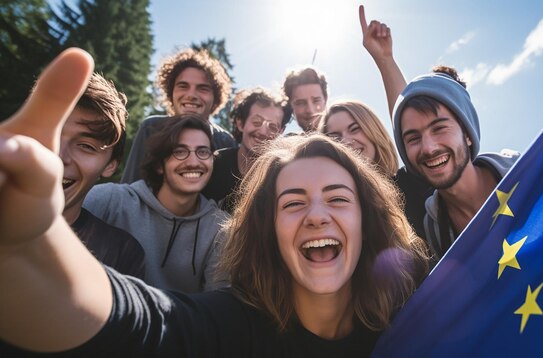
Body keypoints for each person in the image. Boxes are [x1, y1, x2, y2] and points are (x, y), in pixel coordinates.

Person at [0, 48, 429, 356]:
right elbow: (132, 319)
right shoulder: (230, 328)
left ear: (367, 220)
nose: (317, 215)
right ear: (266, 230)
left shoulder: (413, 324)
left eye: (337, 198)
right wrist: (26, 256)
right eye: (293, 203)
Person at [360, 5, 520, 263]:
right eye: (413, 139)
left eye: (440, 128)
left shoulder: (525, 172)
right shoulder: (434, 234)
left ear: (467, 133)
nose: (429, 147)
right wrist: (384, 60)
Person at [83, 114, 229, 293]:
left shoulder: (221, 228)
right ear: (160, 165)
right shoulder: (111, 201)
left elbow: (216, 305)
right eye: (180, 151)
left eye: (203, 152)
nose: (193, 162)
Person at [61, 72, 145, 278]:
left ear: (110, 166)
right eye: (49, 133)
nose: (58, 156)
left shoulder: (122, 254)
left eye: (86, 146)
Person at [318, 100, 434, 239]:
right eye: (335, 138)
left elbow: (412, 116)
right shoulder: (333, 211)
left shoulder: (410, 182)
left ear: (373, 131)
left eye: (355, 129)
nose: (346, 141)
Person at [121, 48, 237, 183]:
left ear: (215, 98)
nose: (191, 95)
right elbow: (130, 187)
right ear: (171, 93)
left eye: (202, 88)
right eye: (183, 86)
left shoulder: (225, 141)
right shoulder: (151, 128)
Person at [202, 87, 291, 214]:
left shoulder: (282, 177)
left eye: (272, 127)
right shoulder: (215, 164)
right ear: (240, 123)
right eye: (256, 122)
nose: (262, 132)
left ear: (280, 132)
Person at [282, 66, 328, 132]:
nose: (310, 110)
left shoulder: (345, 138)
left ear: (325, 99)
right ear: (290, 106)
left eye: (316, 101)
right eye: (301, 103)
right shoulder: (287, 141)